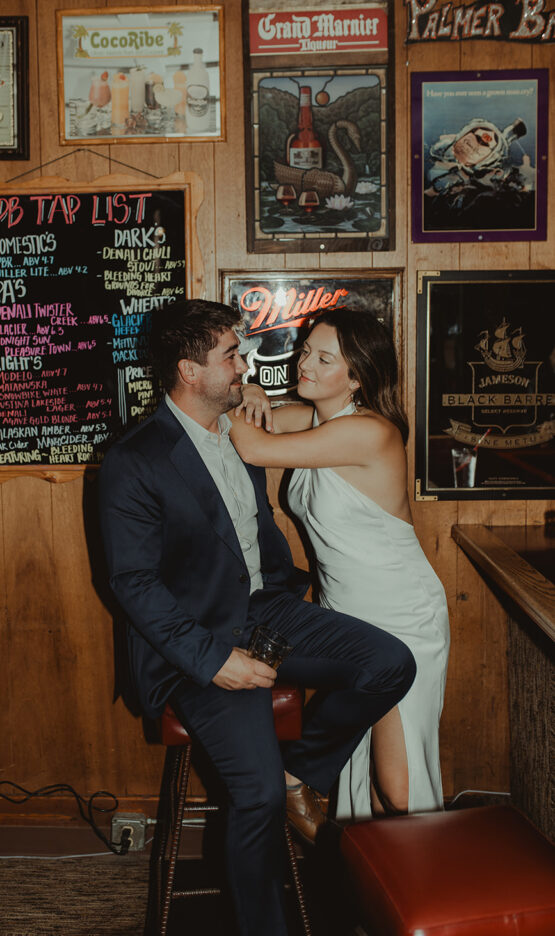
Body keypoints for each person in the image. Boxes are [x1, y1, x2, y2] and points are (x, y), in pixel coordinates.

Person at [99, 299, 416, 936]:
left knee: (389, 664)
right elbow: (132, 584)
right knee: (257, 796)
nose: (245, 364)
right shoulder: (135, 459)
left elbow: (260, 519)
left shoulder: (236, 431)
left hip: (265, 613)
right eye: (231, 356)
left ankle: (304, 771)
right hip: (197, 646)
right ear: (190, 371)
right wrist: (215, 661)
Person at [230, 308, 450, 822]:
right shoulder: (317, 420)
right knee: (365, 783)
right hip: (348, 618)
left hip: (400, 613)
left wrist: (251, 396)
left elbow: (254, 446)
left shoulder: (370, 432)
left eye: (324, 358)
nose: (305, 363)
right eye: (306, 350)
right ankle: (378, 894)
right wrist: (250, 393)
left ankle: (436, 892)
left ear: (357, 377)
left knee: (399, 786)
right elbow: (239, 421)